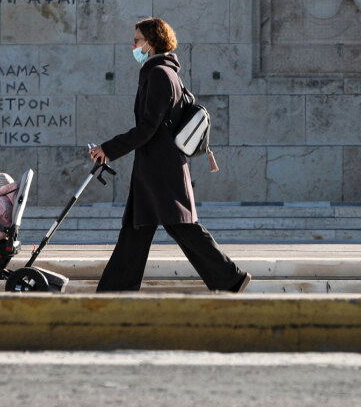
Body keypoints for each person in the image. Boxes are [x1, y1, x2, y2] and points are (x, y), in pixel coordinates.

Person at [89, 18, 251, 293]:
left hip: (159, 169)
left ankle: (231, 277)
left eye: (138, 40)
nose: (134, 45)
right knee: (136, 229)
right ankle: (115, 290)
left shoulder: (159, 75)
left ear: (151, 42)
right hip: (156, 167)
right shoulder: (164, 73)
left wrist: (109, 148)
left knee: (181, 227)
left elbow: (147, 128)